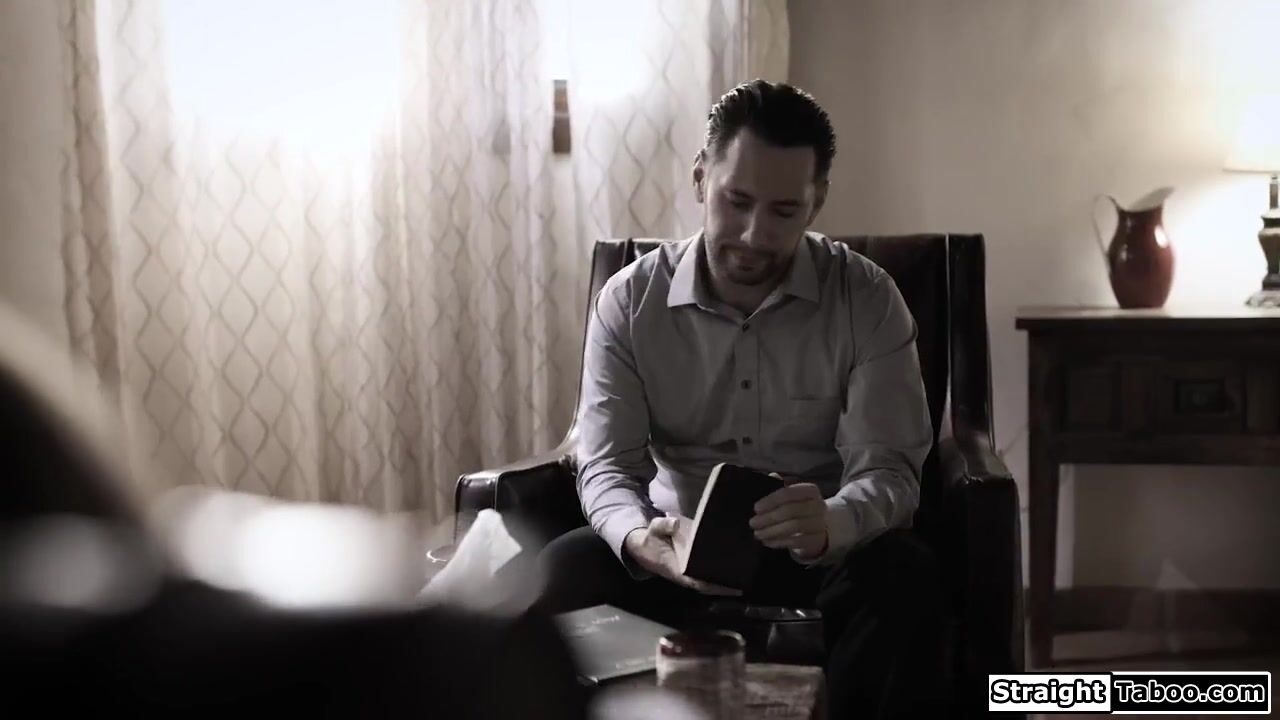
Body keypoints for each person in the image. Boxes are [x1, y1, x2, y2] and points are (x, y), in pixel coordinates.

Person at [536, 80, 952, 718]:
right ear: (701, 179)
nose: (755, 235)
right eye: (737, 201)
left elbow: (891, 470)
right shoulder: (629, 301)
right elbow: (608, 465)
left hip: (821, 554)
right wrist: (642, 540)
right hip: (674, 548)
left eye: (784, 211)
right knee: (567, 567)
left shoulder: (867, 298)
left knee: (906, 575)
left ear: (816, 203)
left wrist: (834, 521)